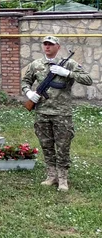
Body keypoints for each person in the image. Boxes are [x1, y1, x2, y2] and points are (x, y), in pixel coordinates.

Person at [21, 35, 92, 192]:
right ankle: (51, 176)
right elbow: (25, 81)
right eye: (45, 44)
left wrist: (67, 73)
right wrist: (28, 93)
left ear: (58, 47)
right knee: (46, 145)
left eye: (51, 44)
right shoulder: (36, 64)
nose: (47, 47)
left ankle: (63, 179)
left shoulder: (69, 63)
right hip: (42, 112)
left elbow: (88, 79)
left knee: (63, 146)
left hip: (62, 113)